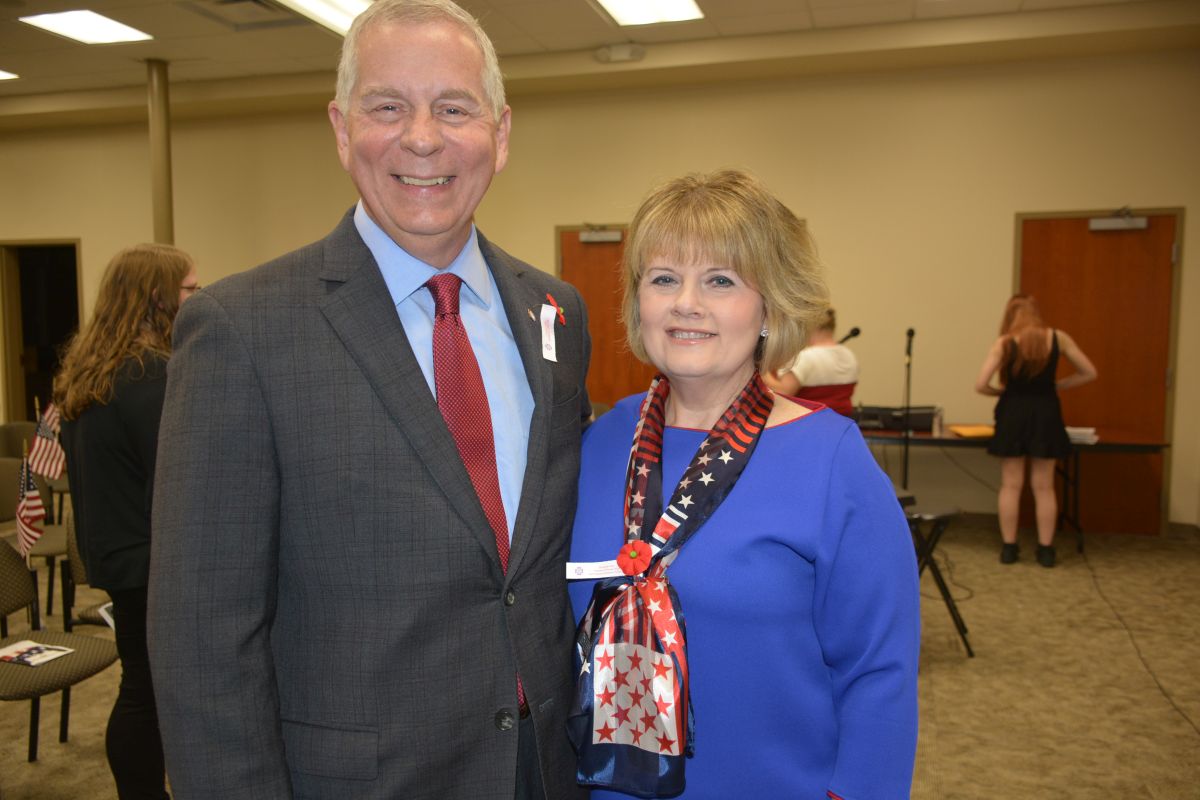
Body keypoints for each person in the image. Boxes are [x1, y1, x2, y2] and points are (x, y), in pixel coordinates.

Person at [146, 2, 591, 798]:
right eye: (387, 107)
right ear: (342, 129)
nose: (421, 138)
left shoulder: (555, 311)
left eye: (453, 108)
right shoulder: (241, 329)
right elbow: (203, 641)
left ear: (500, 134)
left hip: (544, 769)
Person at [566, 170, 919, 799]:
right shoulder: (599, 442)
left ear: (769, 308)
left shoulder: (830, 459)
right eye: (664, 278)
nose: (686, 303)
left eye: (721, 280)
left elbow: (879, 672)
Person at [54, 242, 198, 800]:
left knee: (139, 683)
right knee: (146, 693)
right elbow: (176, 480)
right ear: (157, 297)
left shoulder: (93, 371)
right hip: (149, 559)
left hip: (116, 554)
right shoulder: (151, 375)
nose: (197, 297)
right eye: (189, 289)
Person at [974, 294, 1096, 567]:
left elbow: (981, 384)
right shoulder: (1058, 338)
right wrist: (1058, 385)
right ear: (1036, 314)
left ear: (1010, 316)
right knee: (1044, 486)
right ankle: (1045, 549)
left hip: (1013, 413)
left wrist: (1002, 392)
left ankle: (1009, 547)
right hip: (1046, 412)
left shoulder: (1005, 343)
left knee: (1010, 484)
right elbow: (1089, 372)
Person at [763, 306, 859, 415]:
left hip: (811, 421)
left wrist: (761, 370)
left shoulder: (805, 358)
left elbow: (783, 392)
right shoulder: (849, 355)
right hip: (842, 420)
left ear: (809, 326)